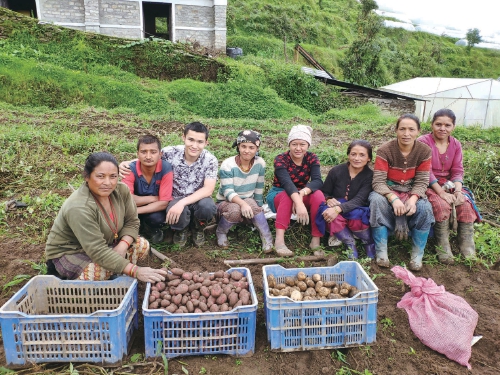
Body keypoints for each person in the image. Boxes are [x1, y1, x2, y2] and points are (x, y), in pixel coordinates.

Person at [45, 152, 168, 282]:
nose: (108, 183)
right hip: (72, 252)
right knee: (97, 273)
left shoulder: (121, 191)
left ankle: (115, 270)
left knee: (142, 245)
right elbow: (97, 250)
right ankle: (77, 279)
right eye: (100, 176)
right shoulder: (79, 207)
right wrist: (135, 271)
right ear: (87, 177)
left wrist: (122, 246)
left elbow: (132, 222)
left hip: (107, 244)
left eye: (113, 176)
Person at [120, 122, 217, 247]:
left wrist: (183, 202)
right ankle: (180, 230)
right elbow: (150, 156)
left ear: (206, 143)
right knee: (176, 209)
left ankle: (198, 228)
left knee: (207, 206)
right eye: (191, 140)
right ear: (184, 138)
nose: (194, 145)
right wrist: (126, 163)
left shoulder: (210, 160)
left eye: (200, 142)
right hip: (175, 198)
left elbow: (208, 189)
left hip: (197, 198)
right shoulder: (171, 152)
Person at [369, 114, 434, 271]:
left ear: (418, 131)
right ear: (396, 130)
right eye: (402, 129)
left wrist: (412, 199)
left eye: (411, 129)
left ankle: (417, 255)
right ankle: (382, 252)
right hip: (387, 190)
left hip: (412, 191)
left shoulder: (424, 151)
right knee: (376, 201)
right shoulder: (385, 150)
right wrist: (393, 198)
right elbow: (378, 181)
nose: (406, 133)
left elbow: (422, 181)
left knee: (425, 208)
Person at [418, 109, 480, 263]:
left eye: (447, 125)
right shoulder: (423, 142)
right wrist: (441, 193)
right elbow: (426, 171)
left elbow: (458, 170)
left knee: (464, 205)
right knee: (441, 205)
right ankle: (443, 246)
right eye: (438, 124)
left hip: (450, 184)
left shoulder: (456, 144)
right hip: (428, 184)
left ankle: (466, 246)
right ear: (432, 125)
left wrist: (458, 191)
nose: (442, 128)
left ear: (453, 127)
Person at [266, 125, 324, 257]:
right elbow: (287, 183)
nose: (298, 148)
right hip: (279, 193)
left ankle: (316, 240)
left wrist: (302, 194)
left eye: (302, 144)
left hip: (300, 193)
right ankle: (279, 241)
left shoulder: (312, 158)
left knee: (318, 195)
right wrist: (298, 203)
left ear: (308, 145)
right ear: (289, 144)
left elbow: (317, 181)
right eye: (294, 144)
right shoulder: (280, 159)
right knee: (287, 195)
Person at [216, 130, 273, 251]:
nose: (247, 150)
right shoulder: (228, 165)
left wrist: (258, 206)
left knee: (256, 209)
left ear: (257, 148)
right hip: (226, 202)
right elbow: (227, 192)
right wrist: (242, 204)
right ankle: (221, 232)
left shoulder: (260, 163)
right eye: (243, 146)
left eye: (251, 147)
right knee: (235, 210)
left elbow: (259, 187)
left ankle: (267, 238)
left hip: (247, 199)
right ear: (238, 147)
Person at [319, 140, 375, 259]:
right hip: (336, 206)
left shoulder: (370, 175)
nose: (357, 158)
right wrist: (328, 199)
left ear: (369, 158)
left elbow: (360, 199)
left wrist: (339, 209)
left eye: (362, 155)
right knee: (327, 212)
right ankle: (349, 243)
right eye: (353, 154)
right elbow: (324, 191)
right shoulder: (336, 171)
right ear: (348, 155)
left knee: (358, 215)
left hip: (355, 207)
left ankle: (368, 241)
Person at [122, 135, 173, 244]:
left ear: (160, 154)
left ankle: (151, 228)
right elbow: (127, 200)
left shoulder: (165, 168)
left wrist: (136, 211)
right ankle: (136, 227)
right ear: (138, 154)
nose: (148, 156)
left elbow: (164, 203)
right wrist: (155, 198)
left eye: (153, 152)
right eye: (144, 152)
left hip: (147, 210)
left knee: (157, 218)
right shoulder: (129, 169)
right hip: (132, 207)